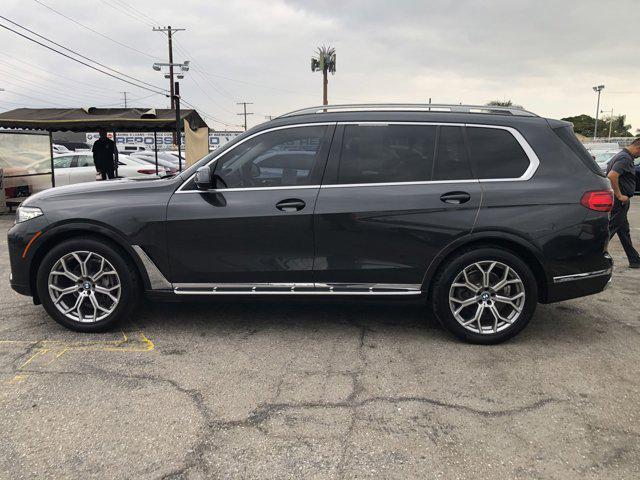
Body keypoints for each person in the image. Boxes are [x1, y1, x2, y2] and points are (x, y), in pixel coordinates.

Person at [606, 138, 640, 268]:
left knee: (623, 231)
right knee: (609, 231)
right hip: (620, 202)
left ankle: (634, 260)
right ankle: (590, 256)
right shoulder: (625, 158)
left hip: (620, 202)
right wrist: (619, 195)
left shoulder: (622, 155)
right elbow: (612, 175)